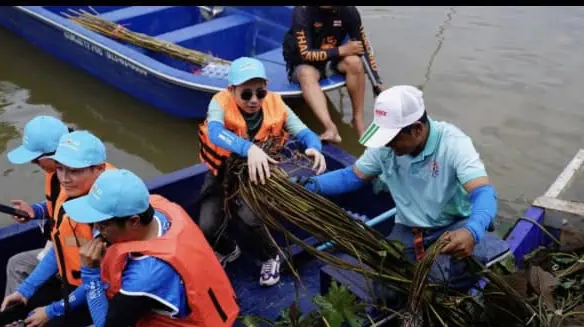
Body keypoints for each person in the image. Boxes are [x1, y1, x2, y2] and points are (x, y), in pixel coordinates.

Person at [295, 85, 512, 293]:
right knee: (387, 287)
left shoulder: (453, 144)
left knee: (463, 272)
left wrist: (472, 231)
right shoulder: (385, 148)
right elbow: (352, 176)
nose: (387, 145)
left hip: (453, 224)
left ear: (417, 129)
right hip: (409, 226)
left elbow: (483, 192)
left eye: (392, 139)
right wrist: (312, 185)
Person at [60, 169, 239, 327]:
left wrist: (90, 273)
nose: (97, 230)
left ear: (133, 221)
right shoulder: (158, 209)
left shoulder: (148, 273)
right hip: (151, 315)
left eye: (103, 223)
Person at [0, 130, 115, 327]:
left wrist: (52, 312)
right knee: (31, 302)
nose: (63, 177)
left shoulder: (109, 212)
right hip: (76, 278)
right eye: (60, 169)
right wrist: (25, 290)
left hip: (103, 290)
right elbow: (60, 246)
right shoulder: (70, 191)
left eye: (72, 171)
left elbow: (102, 278)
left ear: (97, 170)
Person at [197, 56, 326, 287]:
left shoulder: (277, 105)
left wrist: (315, 148)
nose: (254, 100)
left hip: (258, 174)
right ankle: (229, 249)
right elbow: (215, 132)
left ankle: (269, 256)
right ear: (232, 89)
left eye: (260, 93)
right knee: (207, 225)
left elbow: (305, 132)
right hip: (222, 170)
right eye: (246, 94)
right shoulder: (219, 103)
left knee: (249, 217)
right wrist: (248, 148)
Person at [0, 115, 70, 327]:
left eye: (35, 157)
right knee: (17, 263)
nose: (33, 163)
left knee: (20, 265)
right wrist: (36, 211)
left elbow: (71, 238)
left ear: (53, 154)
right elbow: (58, 208)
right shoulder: (59, 172)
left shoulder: (76, 179)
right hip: (61, 248)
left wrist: (48, 310)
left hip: (78, 261)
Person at [282, 6, 385, 143]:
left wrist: (377, 81)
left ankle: (358, 121)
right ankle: (330, 127)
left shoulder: (349, 11)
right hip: (304, 64)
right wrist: (341, 50)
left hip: (331, 62)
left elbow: (363, 48)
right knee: (307, 73)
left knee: (355, 62)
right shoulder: (302, 10)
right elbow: (305, 54)